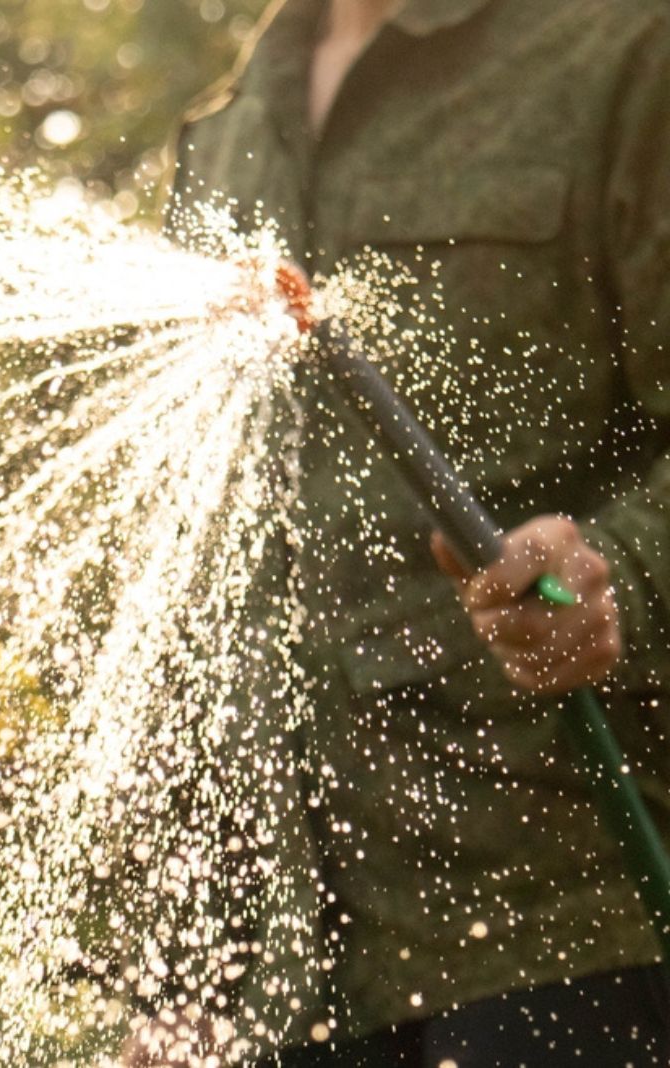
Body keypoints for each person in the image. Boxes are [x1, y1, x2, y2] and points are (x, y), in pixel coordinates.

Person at [147, 0, 670, 1063]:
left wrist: (607, 580)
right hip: (279, 969)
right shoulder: (228, 129)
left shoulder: (623, 52)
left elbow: (599, 578)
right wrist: (172, 958)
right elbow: (197, 555)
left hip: (570, 920)